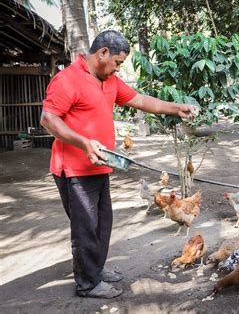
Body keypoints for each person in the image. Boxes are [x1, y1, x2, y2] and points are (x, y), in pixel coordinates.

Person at [40, 30, 197, 299]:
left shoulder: (110, 80)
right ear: (102, 53)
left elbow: (141, 100)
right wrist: (84, 142)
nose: (118, 68)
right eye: (117, 62)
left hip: (100, 166)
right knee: (85, 228)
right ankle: (87, 284)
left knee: (102, 225)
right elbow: (48, 119)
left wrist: (176, 107)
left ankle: (95, 271)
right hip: (75, 170)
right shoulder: (67, 80)